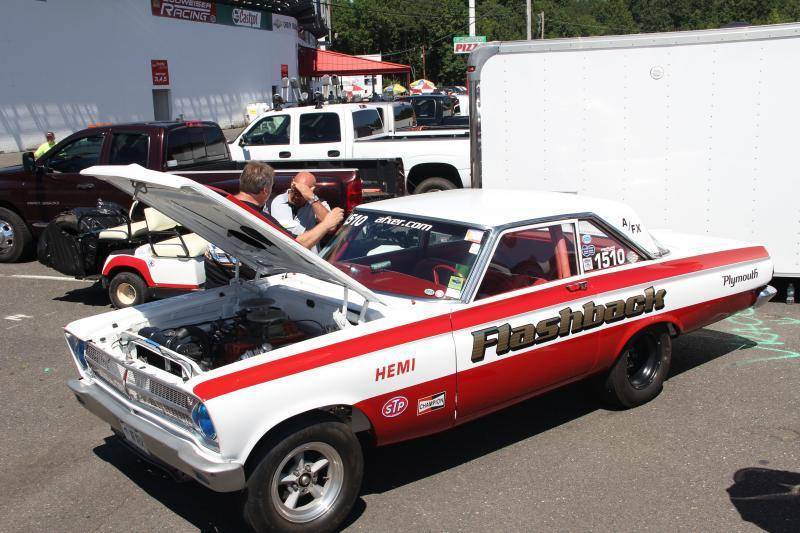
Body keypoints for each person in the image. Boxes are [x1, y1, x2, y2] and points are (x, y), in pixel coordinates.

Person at [204, 162, 344, 288]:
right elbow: (296, 245)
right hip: (241, 293)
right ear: (265, 190)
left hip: (215, 292)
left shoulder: (219, 206)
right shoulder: (258, 218)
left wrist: (311, 198)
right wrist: (327, 224)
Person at [269, 171, 331, 252]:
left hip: (308, 256)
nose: (297, 197)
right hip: (283, 255)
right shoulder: (274, 202)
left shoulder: (318, 204)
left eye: (302, 194)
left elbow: (331, 227)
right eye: (295, 192)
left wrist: (311, 198)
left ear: (312, 190)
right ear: (292, 183)